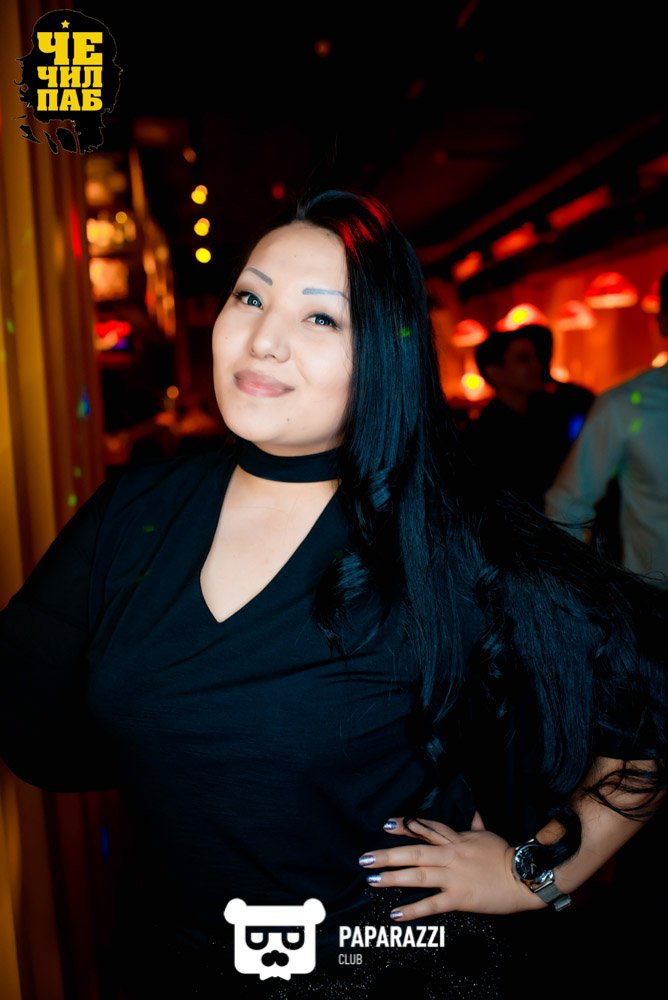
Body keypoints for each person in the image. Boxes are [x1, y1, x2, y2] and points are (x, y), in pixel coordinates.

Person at [0, 191, 666, 1000]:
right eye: (250, 298)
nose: (264, 340)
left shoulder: (446, 540)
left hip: (390, 971)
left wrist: (532, 873)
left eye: (320, 317)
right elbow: (33, 721)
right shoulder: (134, 511)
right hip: (185, 962)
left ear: (384, 355)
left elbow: (649, 699)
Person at [545, 272, 668, 590]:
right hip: (656, 603)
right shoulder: (624, 404)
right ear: (663, 323)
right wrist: (582, 594)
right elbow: (568, 504)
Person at [461, 325, 594, 511]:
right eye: (523, 359)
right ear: (494, 372)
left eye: (535, 357)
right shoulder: (484, 435)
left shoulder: (549, 416)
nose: (536, 365)